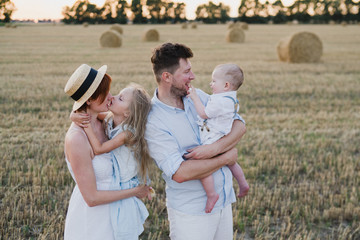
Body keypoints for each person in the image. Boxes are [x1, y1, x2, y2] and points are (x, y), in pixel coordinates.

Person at [145, 43, 246, 240]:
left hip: (224, 202)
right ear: (167, 77)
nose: (193, 77)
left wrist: (214, 149)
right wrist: (226, 157)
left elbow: (239, 124)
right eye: (187, 72)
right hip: (192, 213)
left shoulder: (196, 95)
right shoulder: (153, 120)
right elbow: (180, 173)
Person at [63, 64, 151, 240]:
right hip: (94, 224)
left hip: (117, 217)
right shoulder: (77, 139)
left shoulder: (105, 123)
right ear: (89, 100)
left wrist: (75, 114)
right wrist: (135, 191)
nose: (111, 97)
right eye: (106, 93)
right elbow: (92, 198)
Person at [187, 63, 249, 213]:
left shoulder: (220, 102)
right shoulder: (229, 98)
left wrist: (194, 97)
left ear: (226, 85)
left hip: (213, 138)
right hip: (223, 134)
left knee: (202, 166)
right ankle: (243, 183)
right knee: (232, 163)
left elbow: (203, 113)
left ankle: (211, 195)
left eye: (214, 81)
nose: (211, 84)